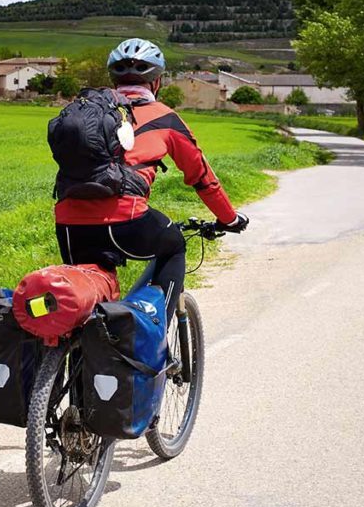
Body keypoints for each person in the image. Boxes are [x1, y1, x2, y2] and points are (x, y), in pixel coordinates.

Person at [54, 38, 248, 316]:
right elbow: (202, 178)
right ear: (156, 82)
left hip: (70, 222)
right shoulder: (165, 118)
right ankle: (159, 340)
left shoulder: (88, 113)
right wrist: (229, 218)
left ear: (114, 79)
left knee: (84, 302)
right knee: (174, 247)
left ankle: (74, 355)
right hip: (127, 220)